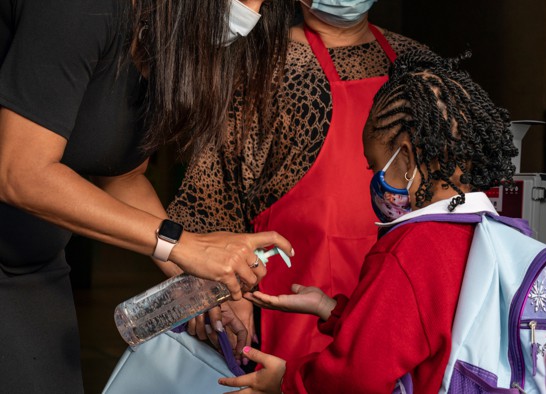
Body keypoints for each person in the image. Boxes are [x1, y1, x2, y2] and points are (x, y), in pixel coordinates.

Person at [0, 1, 294, 392]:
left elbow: (121, 175)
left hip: (30, 262)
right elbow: (21, 173)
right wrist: (184, 245)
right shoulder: (78, 10)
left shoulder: (163, 43)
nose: (249, 15)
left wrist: (201, 285)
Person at [218, 49, 519, 393]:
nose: (374, 179)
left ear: (405, 158)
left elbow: (356, 378)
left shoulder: (410, 249)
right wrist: (329, 308)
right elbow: (420, 332)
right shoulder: (497, 235)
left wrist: (286, 381)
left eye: (374, 165)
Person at [167, 0, 429, 365]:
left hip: (400, 291)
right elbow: (212, 193)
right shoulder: (262, 66)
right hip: (291, 297)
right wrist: (226, 293)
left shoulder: (416, 63)